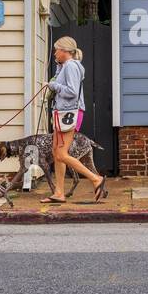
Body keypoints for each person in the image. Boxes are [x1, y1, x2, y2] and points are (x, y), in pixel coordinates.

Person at [43, 36, 106, 204]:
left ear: (64, 51)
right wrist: (58, 70)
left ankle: (95, 179)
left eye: (57, 50)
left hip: (69, 113)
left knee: (62, 153)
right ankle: (59, 193)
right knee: (57, 154)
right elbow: (62, 82)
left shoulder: (71, 66)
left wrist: (53, 86)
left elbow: (71, 91)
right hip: (62, 112)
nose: (55, 52)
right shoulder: (65, 66)